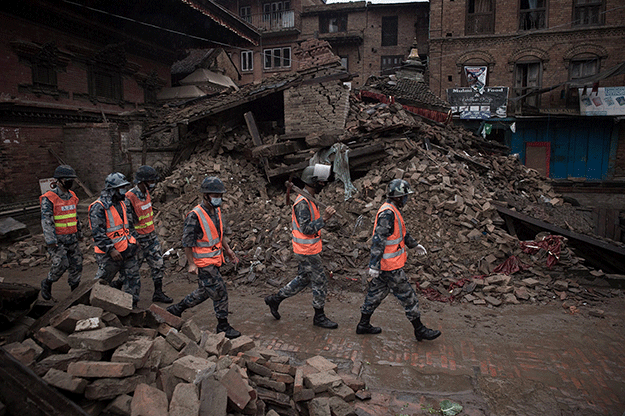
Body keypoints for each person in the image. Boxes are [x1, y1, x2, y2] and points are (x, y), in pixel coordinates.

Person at [356, 178, 441, 342]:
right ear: (398, 197)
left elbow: (401, 233)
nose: (407, 199)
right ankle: (419, 329)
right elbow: (378, 239)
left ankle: (363, 324)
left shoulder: (392, 210)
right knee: (409, 297)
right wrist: (373, 265)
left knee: (375, 295)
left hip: (386, 266)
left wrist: (414, 245)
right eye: (405, 196)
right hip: (390, 267)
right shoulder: (387, 213)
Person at [264, 164, 338, 329]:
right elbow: (306, 229)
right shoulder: (302, 203)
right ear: (313, 182)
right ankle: (319, 317)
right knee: (320, 281)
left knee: (303, 279)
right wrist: (324, 219)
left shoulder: (309, 200)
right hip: (306, 251)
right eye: (321, 182)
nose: (323, 184)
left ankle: (274, 300)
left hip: (307, 249)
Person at [166, 177, 241, 339]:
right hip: (203, 263)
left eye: (220, 195)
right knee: (220, 291)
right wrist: (191, 264)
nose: (218, 198)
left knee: (204, 292)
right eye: (215, 195)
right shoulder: (195, 215)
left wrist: (228, 250)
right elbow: (187, 242)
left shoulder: (217, 211)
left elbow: (219, 234)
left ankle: (177, 309)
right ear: (206, 195)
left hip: (215, 260)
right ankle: (223, 326)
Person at [110, 166, 172, 303]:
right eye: (150, 181)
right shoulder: (129, 197)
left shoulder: (146, 193)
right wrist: (133, 241)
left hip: (151, 237)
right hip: (137, 240)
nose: (153, 184)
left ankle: (158, 292)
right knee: (132, 270)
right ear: (141, 182)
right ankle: (120, 287)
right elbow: (128, 223)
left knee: (158, 264)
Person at [88, 172, 141, 307]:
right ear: (112, 189)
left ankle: (131, 306)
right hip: (109, 255)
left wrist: (134, 240)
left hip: (127, 250)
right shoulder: (98, 207)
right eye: (121, 188)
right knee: (102, 282)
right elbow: (98, 233)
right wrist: (110, 249)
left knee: (133, 278)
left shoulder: (123, 203)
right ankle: (93, 306)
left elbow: (128, 226)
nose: (124, 191)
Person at [39, 165, 83, 300]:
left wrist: (79, 232)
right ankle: (47, 282)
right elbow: (46, 220)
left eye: (72, 179)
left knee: (77, 265)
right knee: (61, 264)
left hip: (72, 238)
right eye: (67, 179)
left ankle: (75, 294)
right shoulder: (50, 198)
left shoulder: (72, 196)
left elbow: (74, 216)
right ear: (59, 180)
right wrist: (50, 241)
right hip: (58, 240)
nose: (70, 181)